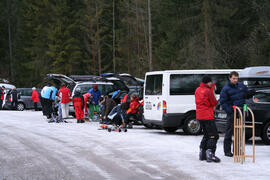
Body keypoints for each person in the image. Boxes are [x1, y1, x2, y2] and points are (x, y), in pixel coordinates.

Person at [220, 71, 254, 157]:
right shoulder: (226, 89)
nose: (235, 80)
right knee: (229, 132)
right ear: (230, 78)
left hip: (241, 112)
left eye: (237, 78)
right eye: (234, 78)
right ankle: (227, 151)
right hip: (232, 113)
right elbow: (223, 102)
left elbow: (245, 95)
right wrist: (230, 110)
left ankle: (237, 150)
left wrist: (250, 93)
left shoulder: (241, 86)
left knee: (239, 132)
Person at [195, 75, 220, 163]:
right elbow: (214, 102)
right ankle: (210, 153)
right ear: (207, 82)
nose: (211, 83)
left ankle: (202, 153)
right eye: (210, 82)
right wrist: (212, 90)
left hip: (200, 116)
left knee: (206, 134)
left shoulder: (197, 90)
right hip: (208, 116)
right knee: (213, 135)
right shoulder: (208, 91)